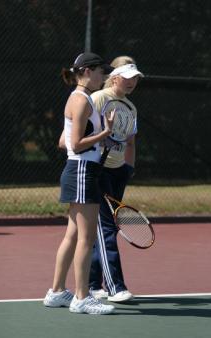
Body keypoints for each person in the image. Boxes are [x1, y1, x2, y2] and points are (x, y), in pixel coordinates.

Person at [43, 52, 115, 315]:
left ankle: (57, 292)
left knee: (73, 235)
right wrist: (104, 134)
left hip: (78, 170)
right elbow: (74, 144)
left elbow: (64, 142)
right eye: (99, 71)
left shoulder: (77, 99)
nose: (103, 76)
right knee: (86, 238)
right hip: (83, 171)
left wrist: (97, 137)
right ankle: (82, 298)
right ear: (86, 71)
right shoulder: (82, 100)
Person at [89, 56, 144, 302]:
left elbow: (130, 141)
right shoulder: (99, 98)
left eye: (136, 78)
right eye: (128, 77)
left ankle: (92, 284)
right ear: (114, 77)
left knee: (99, 229)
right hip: (97, 170)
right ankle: (115, 287)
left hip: (118, 172)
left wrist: (127, 169)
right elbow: (83, 130)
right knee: (107, 228)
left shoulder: (131, 108)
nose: (132, 82)